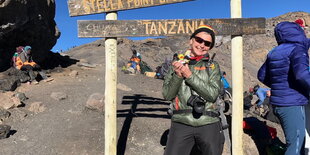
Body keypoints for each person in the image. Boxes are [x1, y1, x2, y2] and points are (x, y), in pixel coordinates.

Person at [162, 25, 224, 155]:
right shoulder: (176, 63)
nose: (202, 45)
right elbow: (167, 95)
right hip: (181, 122)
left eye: (207, 43)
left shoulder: (212, 66)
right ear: (191, 40)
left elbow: (212, 95)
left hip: (208, 122)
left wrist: (189, 75)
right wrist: (178, 76)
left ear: (210, 47)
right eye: (199, 40)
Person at [257, 21, 310, 155]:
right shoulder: (297, 49)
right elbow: (302, 75)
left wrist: (280, 85)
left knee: (295, 142)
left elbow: (261, 75)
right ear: (297, 32)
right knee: (296, 146)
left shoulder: (274, 52)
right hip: (293, 103)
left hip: (278, 104)